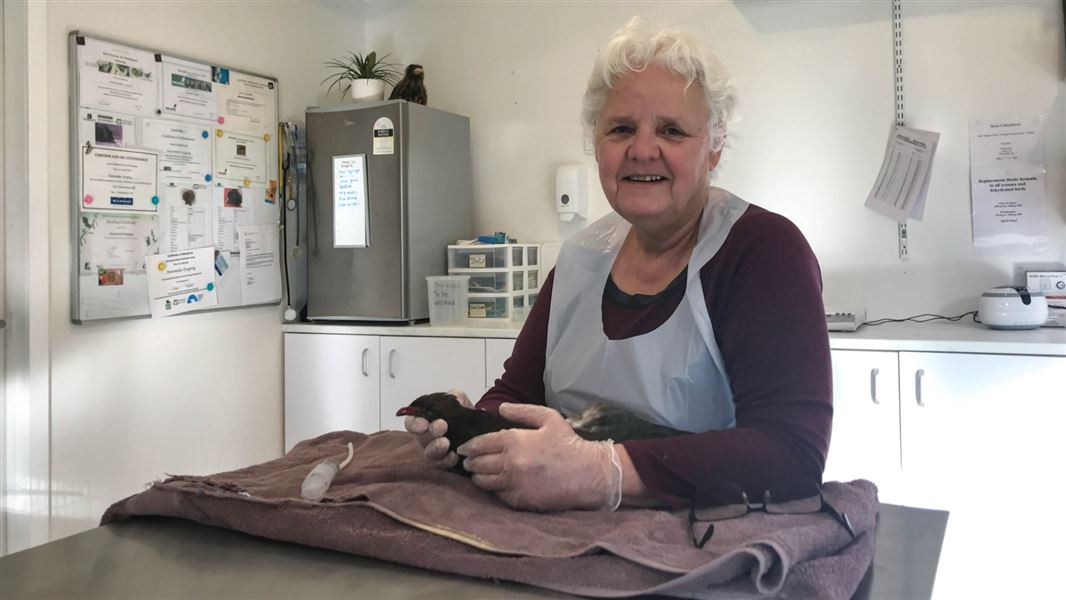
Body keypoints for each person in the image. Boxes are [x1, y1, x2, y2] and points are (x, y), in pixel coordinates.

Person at [405, 17, 832, 512]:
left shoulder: (762, 252)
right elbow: (516, 394)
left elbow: (791, 454)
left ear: (714, 147)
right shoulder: (581, 260)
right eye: (621, 128)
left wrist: (602, 471)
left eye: (672, 130)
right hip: (562, 547)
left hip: (707, 547)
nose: (643, 149)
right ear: (598, 143)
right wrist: (468, 429)